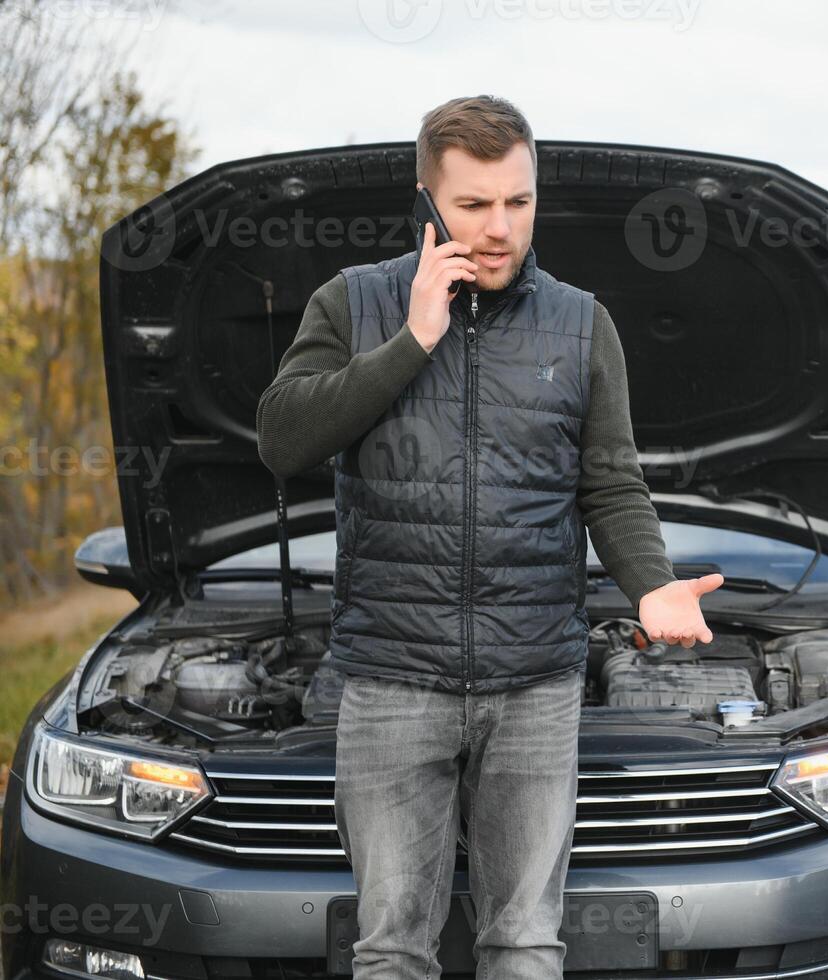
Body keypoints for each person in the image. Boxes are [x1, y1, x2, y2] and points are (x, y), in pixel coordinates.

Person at [255, 94, 723, 980]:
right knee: (390, 948)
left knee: (524, 945)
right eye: (473, 205)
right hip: (391, 678)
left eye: (518, 200)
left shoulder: (582, 325)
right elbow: (283, 441)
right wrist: (412, 337)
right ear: (428, 199)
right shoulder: (354, 303)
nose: (500, 226)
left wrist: (650, 583)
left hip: (535, 687)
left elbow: (610, 483)